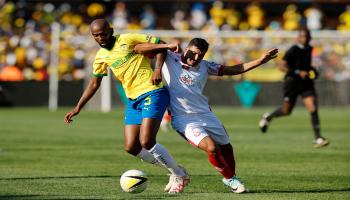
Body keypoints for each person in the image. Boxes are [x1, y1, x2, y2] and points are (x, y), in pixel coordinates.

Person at [134, 38, 278, 193]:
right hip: (184, 119)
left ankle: (232, 177)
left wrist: (261, 61)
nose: (196, 58)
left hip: (206, 114)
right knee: (212, 147)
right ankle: (230, 180)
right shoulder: (170, 56)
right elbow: (139, 48)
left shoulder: (206, 66)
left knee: (226, 147)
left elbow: (236, 69)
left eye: (200, 55)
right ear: (187, 48)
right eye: (194, 53)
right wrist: (164, 51)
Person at [63, 19, 189, 194]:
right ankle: (175, 170)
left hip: (153, 92)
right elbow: (94, 84)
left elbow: (161, 45)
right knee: (131, 147)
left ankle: (179, 174)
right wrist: (78, 108)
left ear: (111, 30)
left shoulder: (128, 39)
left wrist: (157, 69)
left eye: (103, 33)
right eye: (96, 35)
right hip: (133, 100)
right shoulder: (101, 56)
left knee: (147, 141)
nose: (100, 38)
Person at [258, 28, 329, 148]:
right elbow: (281, 66)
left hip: (306, 83)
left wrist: (311, 69)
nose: (305, 39)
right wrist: (297, 72)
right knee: (286, 111)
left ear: (310, 38)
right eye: (302, 36)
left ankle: (318, 138)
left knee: (312, 107)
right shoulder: (293, 50)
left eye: (307, 37)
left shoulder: (309, 49)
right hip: (292, 83)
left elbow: (305, 64)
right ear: (298, 38)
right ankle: (268, 117)